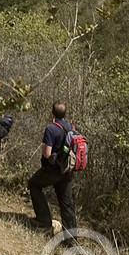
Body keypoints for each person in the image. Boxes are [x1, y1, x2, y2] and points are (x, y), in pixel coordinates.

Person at [28, 101, 79, 235]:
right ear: (65, 113)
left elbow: (47, 153)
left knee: (33, 184)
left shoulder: (51, 128)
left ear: (52, 112)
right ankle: (72, 238)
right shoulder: (71, 128)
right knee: (66, 203)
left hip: (53, 170)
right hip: (67, 170)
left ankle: (44, 221)